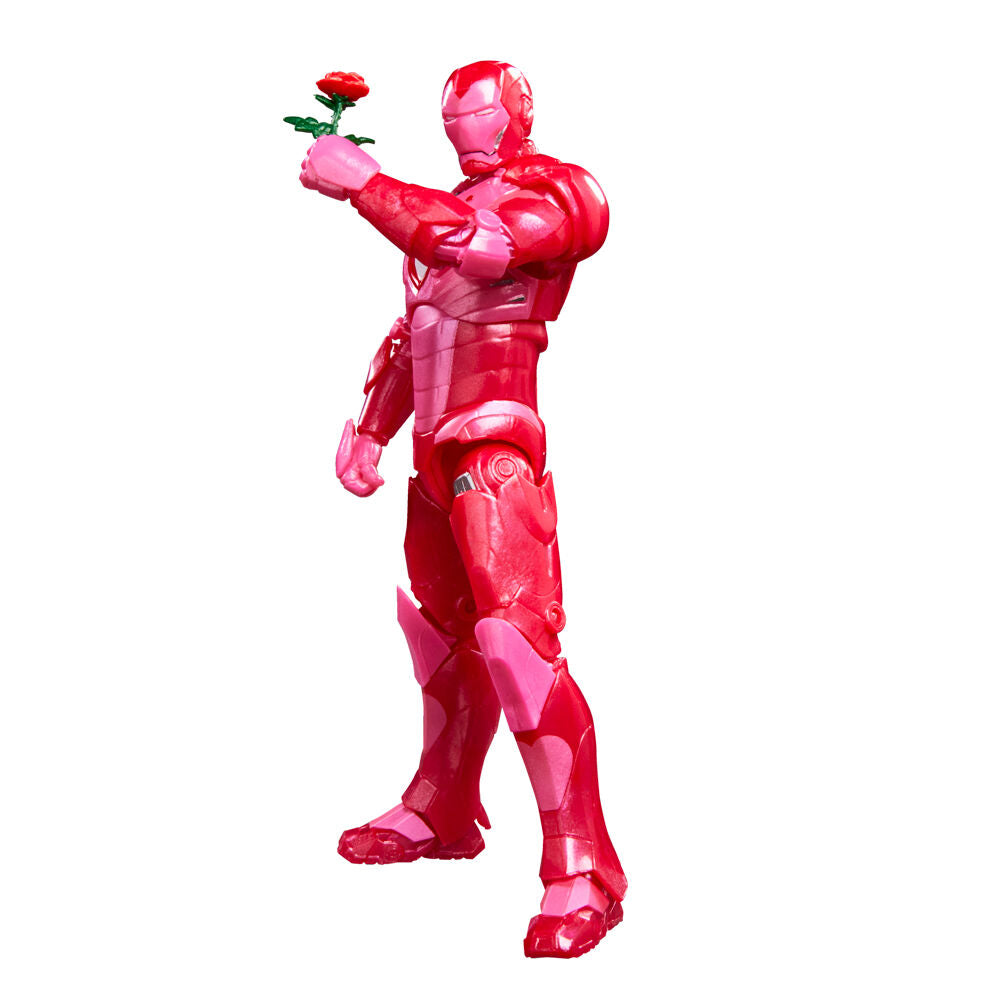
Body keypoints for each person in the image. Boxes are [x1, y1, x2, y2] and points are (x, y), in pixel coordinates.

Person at [298, 60, 626, 959]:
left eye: (477, 114)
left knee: (516, 648)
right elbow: (419, 330)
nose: (464, 132)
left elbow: (480, 247)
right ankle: (442, 805)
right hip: (433, 455)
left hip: (496, 445)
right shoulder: (431, 212)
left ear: (514, 111)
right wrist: (371, 428)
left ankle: (583, 867)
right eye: (452, 119)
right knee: (439, 639)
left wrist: (366, 184)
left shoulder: (562, 191)